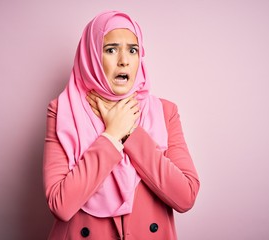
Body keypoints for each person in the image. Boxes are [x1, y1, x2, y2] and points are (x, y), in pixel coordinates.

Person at [43, 10, 200, 239]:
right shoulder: (63, 111)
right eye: (111, 49)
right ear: (92, 57)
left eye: (133, 50)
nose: (124, 60)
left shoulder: (165, 112)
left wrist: (130, 133)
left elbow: (186, 196)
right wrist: (111, 136)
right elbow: (61, 204)